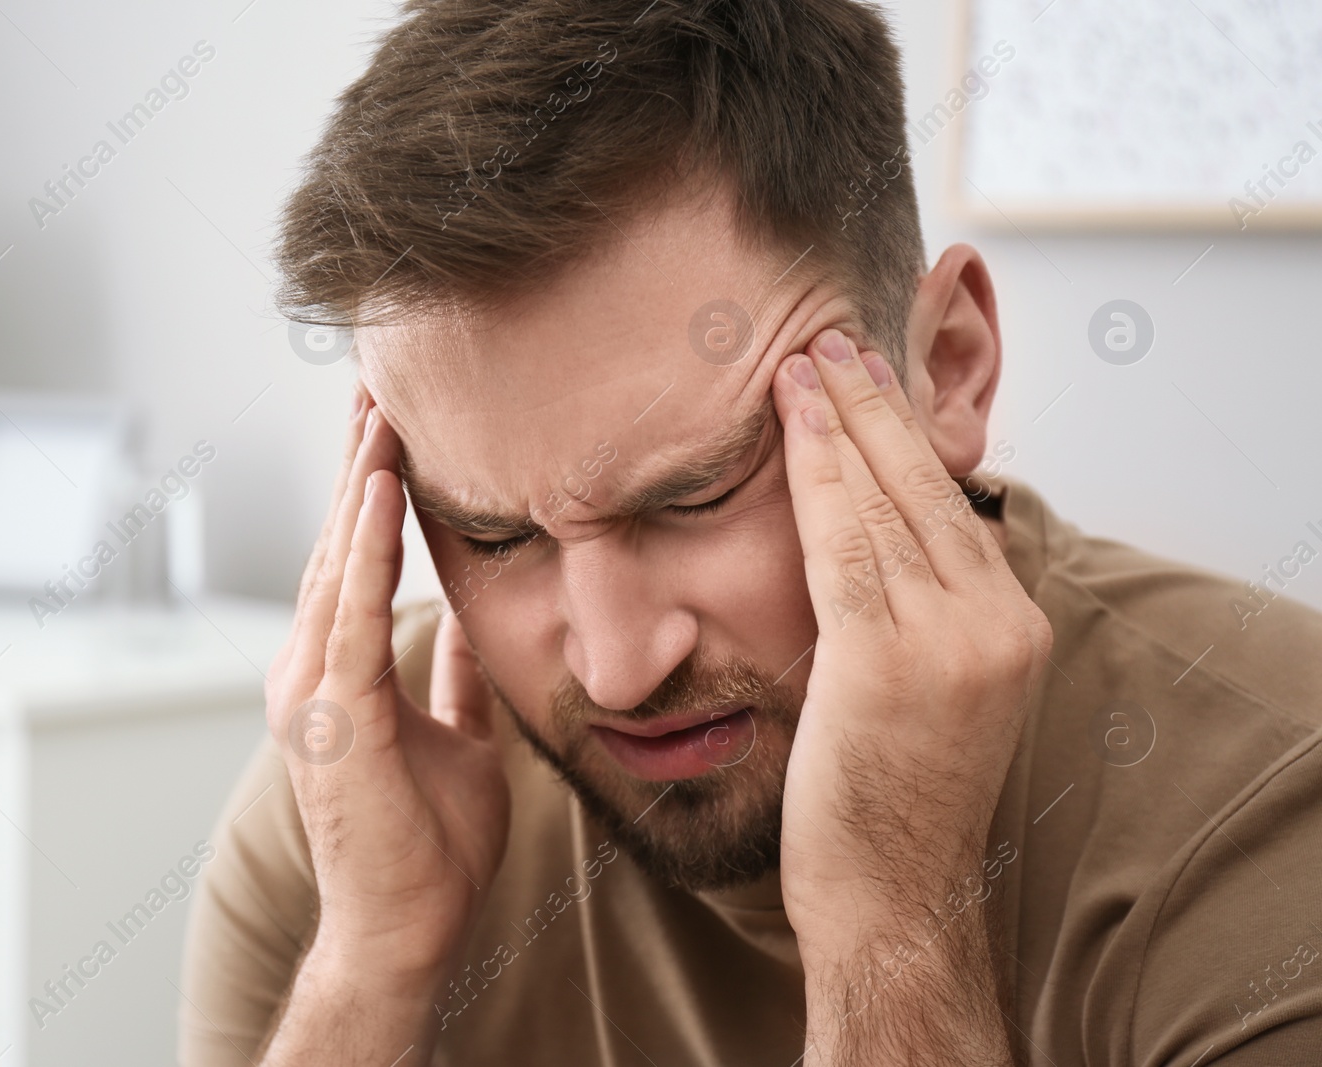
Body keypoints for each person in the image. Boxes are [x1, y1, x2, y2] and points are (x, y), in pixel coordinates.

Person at [178, 1, 1322, 1063]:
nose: (617, 668)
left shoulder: (1275, 812)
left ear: (950, 367)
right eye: (492, 534)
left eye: (695, 495)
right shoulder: (357, 802)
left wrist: (895, 927)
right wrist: (369, 971)